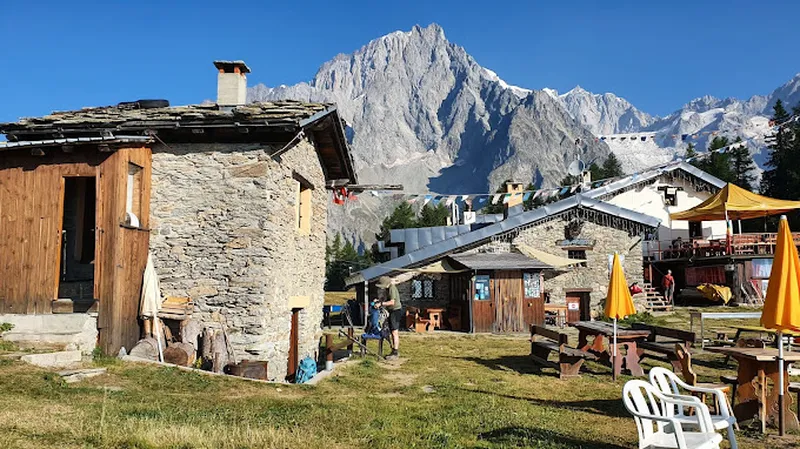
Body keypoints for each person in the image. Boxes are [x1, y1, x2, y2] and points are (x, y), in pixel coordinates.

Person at [376, 276, 402, 359]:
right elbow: (385, 299)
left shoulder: (392, 288)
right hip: (392, 311)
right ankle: (393, 350)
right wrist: (378, 301)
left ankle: (395, 351)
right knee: (392, 331)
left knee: (394, 331)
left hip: (395, 311)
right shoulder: (387, 289)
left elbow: (392, 302)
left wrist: (381, 304)